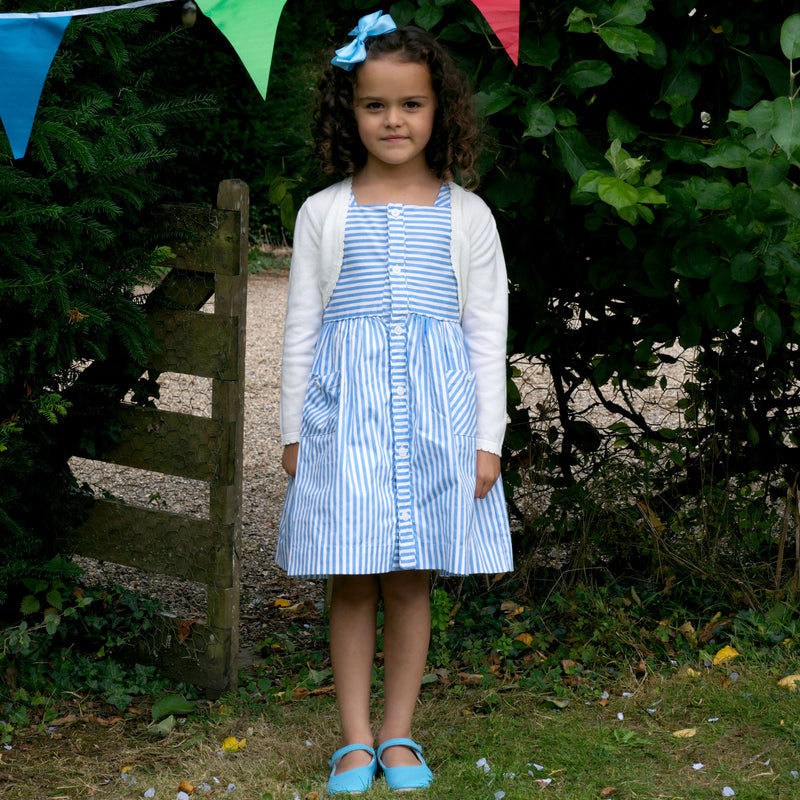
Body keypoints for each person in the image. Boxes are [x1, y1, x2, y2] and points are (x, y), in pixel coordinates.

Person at [276, 10, 513, 795]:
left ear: (438, 109)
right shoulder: (324, 212)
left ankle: (399, 733)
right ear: (350, 111)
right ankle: (353, 739)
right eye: (375, 104)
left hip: (438, 425)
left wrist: (488, 440)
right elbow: (302, 327)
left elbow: (486, 335)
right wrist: (291, 432)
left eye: (410, 103)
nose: (394, 119)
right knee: (350, 575)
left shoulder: (467, 214)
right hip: (346, 423)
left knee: (412, 576)